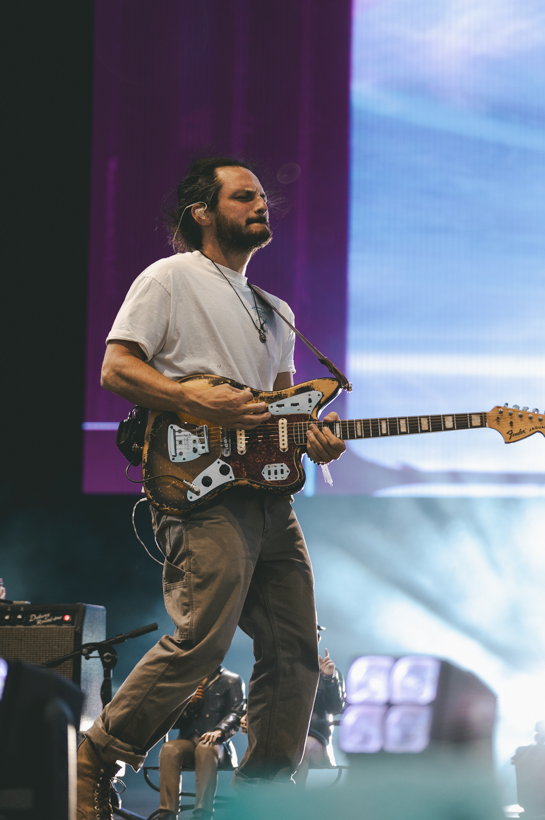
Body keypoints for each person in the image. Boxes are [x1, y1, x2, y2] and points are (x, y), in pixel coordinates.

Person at [76, 158, 346, 819]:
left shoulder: (275, 310)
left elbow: (285, 415)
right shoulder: (169, 278)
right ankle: (96, 757)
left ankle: (261, 796)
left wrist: (316, 437)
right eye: (243, 196)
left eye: (263, 197)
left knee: (296, 647)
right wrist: (194, 403)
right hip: (198, 485)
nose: (262, 205)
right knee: (204, 639)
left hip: (267, 496)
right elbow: (116, 367)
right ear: (202, 213)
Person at [153, 664, 244, 820]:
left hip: (216, 744)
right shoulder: (187, 681)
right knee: (170, 749)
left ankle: (203, 812)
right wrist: (190, 705)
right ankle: (167, 812)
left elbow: (237, 712)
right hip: (189, 740)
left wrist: (220, 731)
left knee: (206, 748)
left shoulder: (231, 680)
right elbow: (174, 722)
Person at [294, 629, 345, 785]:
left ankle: (295, 798)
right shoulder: (284, 671)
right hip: (287, 734)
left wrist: (329, 678)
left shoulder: (330, 673)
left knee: (302, 750)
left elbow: (335, 708)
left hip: (314, 736)